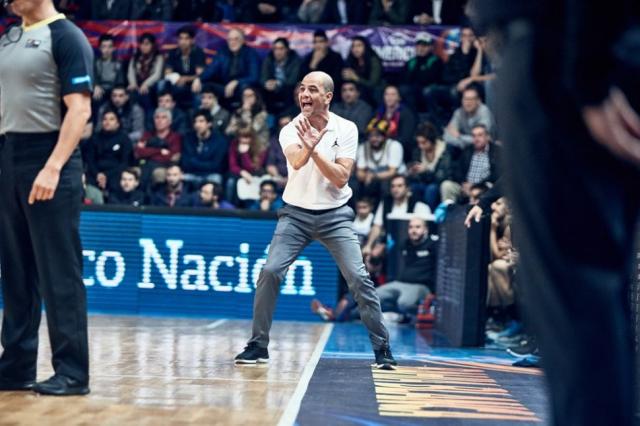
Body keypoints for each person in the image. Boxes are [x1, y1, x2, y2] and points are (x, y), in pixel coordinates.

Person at [470, 1, 640, 425]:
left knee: (578, 308)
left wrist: (589, 74)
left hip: (558, 54)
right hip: (568, 49)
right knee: (594, 303)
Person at [234, 71, 396, 369]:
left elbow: (341, 177)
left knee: (359, 278)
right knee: (270, 271)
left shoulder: (346, 128)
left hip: (335, 215)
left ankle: (382, 348)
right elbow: (297, 161)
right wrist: (309, 146)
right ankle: (258, 345)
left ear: (328, 97)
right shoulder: (289, 129)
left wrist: (317, 151)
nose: (304, 95)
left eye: (312, 89)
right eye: (302, 89)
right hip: (295, 215)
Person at [0, 0, 93, 395]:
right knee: (16, 271)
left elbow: (80, 110)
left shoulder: (67, 36)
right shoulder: (8, 38)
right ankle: (16, 367)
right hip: (9, 155)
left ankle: (72, 373)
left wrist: (53, 167)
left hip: (49, 155)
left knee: (59, 272)